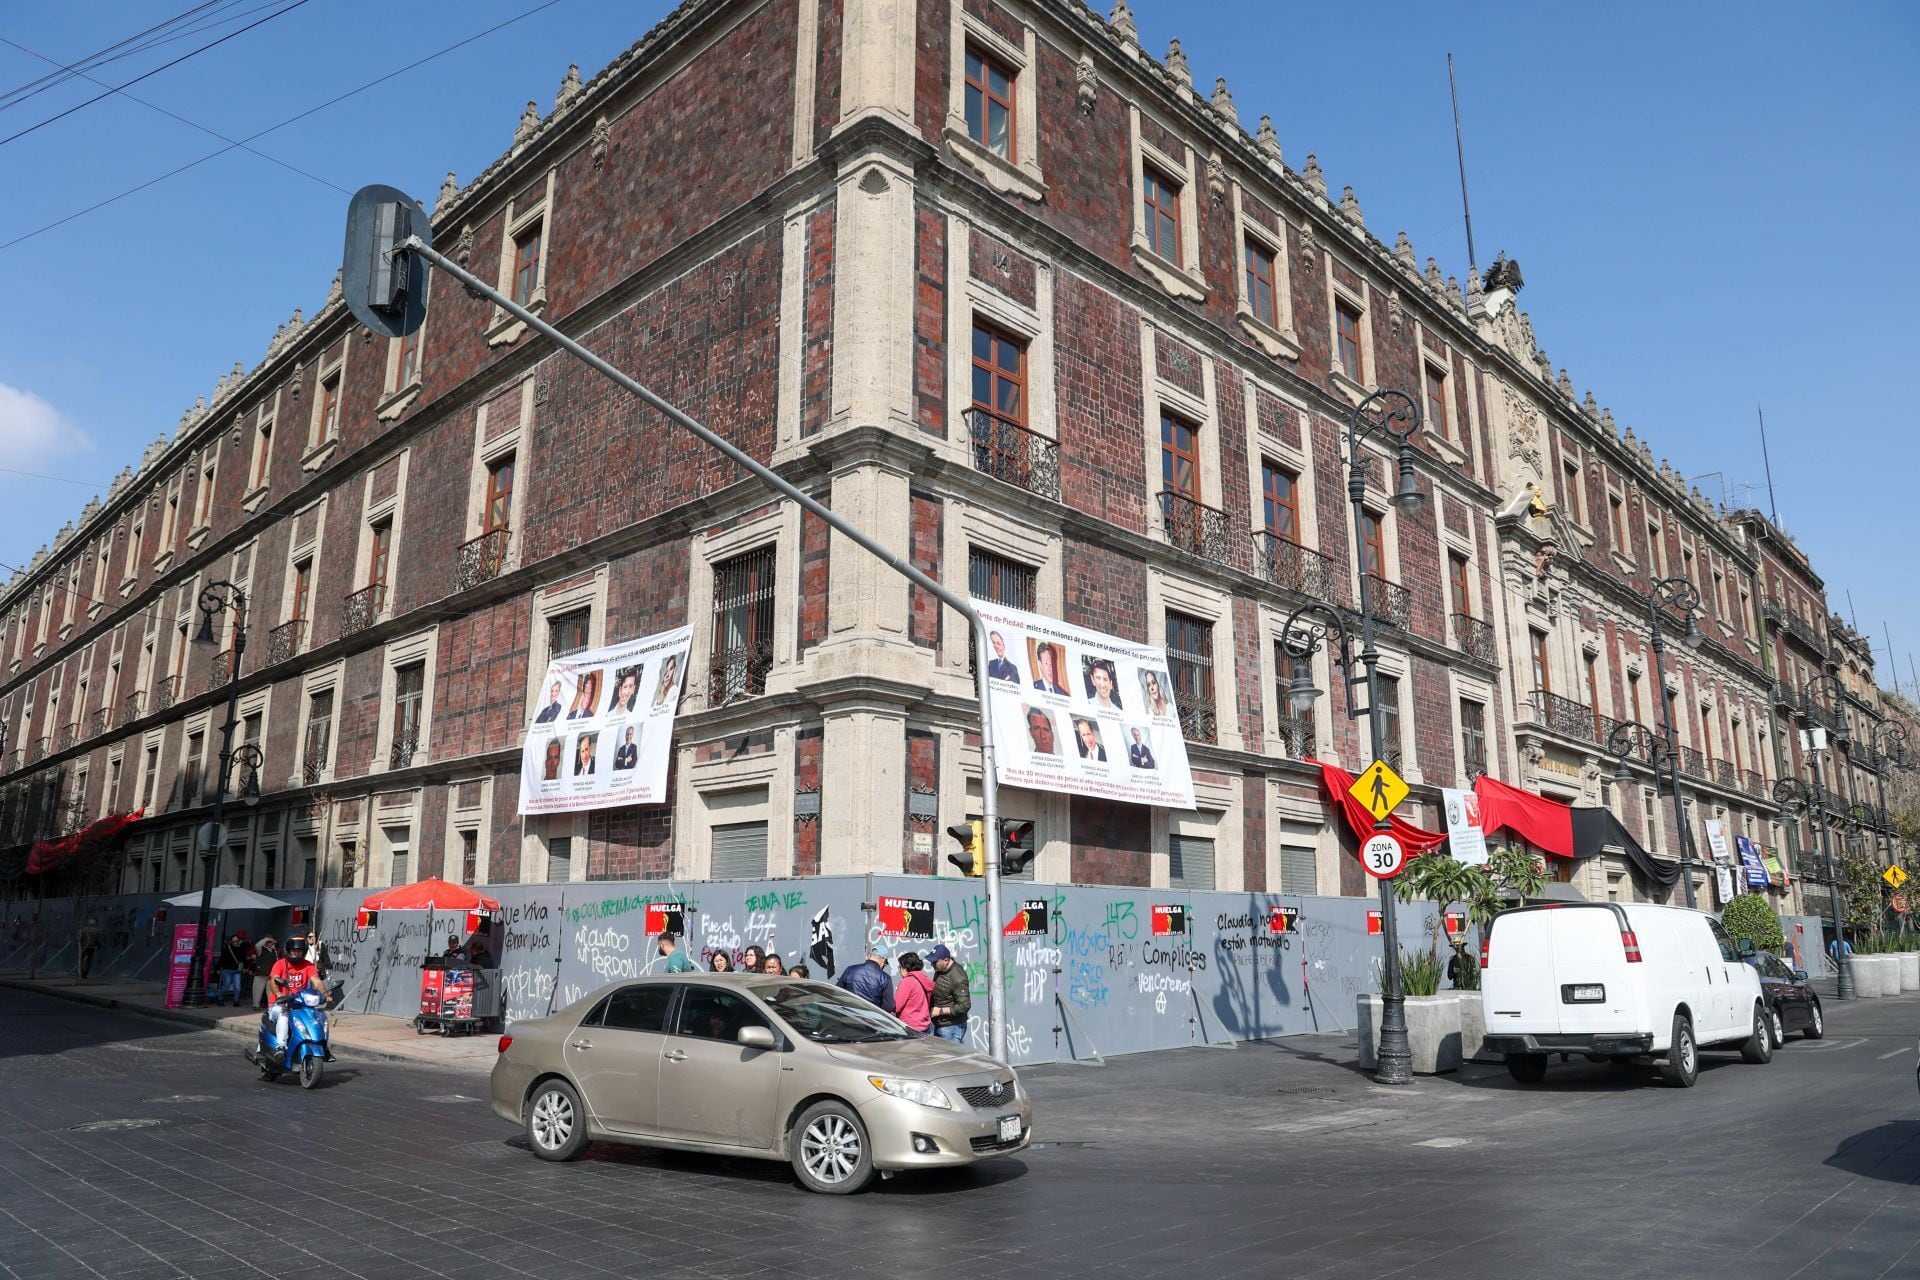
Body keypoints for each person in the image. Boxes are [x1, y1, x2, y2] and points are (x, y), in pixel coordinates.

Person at [264, 937, 325, 1054]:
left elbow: (316, 981)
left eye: (299, 951)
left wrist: (325, 994)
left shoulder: (308, 965)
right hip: (278, 1004)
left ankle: (322, 1045)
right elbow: (273, 982)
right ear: (288, 951)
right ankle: (280, 1047)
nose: (296, 954)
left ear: (303, 952)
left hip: (298, 1005)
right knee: (284, 1015)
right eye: (294, 951)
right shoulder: (280, 964)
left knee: (317, 1016)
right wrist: (278, 994)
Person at [928, 944, 971, 1042]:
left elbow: (964, 1006)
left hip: (952, 1027)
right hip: (940, 1024)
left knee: (951, 1056)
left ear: (946, 960)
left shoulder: (958, 977)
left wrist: (940, 1011)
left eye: (935, 962)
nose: (932, 964)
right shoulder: (940, 970)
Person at [894, 951, 934, 1035]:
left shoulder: (907, 981)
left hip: (910, 1027)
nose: (899, 970)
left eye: (900, 967)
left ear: (905, 967)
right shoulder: (924, 979)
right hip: (924, 1025)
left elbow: (896, 1006)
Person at [217, 931, 250, 1006]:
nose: (236, 942)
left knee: (237, 987)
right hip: (227, 970)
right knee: (226, 986)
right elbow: (221, 959)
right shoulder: (227, 949)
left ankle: (236, 1001)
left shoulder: (241, 948)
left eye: (237, 941)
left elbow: (244, 959)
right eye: (234, 941)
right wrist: (218, 969)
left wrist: (245, 967)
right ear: (231, 942)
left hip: (237, 970)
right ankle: (220, 999)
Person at [249, 936, 279, 1008]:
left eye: (271, 942)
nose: (270, 943)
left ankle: (271, 1006)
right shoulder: (260, 950)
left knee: (271, 992)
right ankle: (256, 1005)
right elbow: (257, 945)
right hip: (260, 974)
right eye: (268, 942)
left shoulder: (274, 951)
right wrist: (266, 939)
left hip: (270, 975)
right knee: (257, 991)